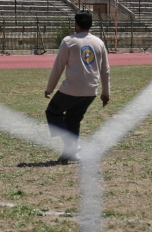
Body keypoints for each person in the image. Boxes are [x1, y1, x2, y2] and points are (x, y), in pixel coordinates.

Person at [44, 10, 111, 163]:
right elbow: (105, 69)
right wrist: (105, 92)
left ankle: (71, 144)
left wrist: (50, 88)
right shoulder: (99, 42)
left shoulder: (69, 41)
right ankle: (71, 154)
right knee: (73, 119)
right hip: (90, 91)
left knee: (53, 112)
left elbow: (58, 67)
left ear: (76, 24)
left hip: (71, 89)